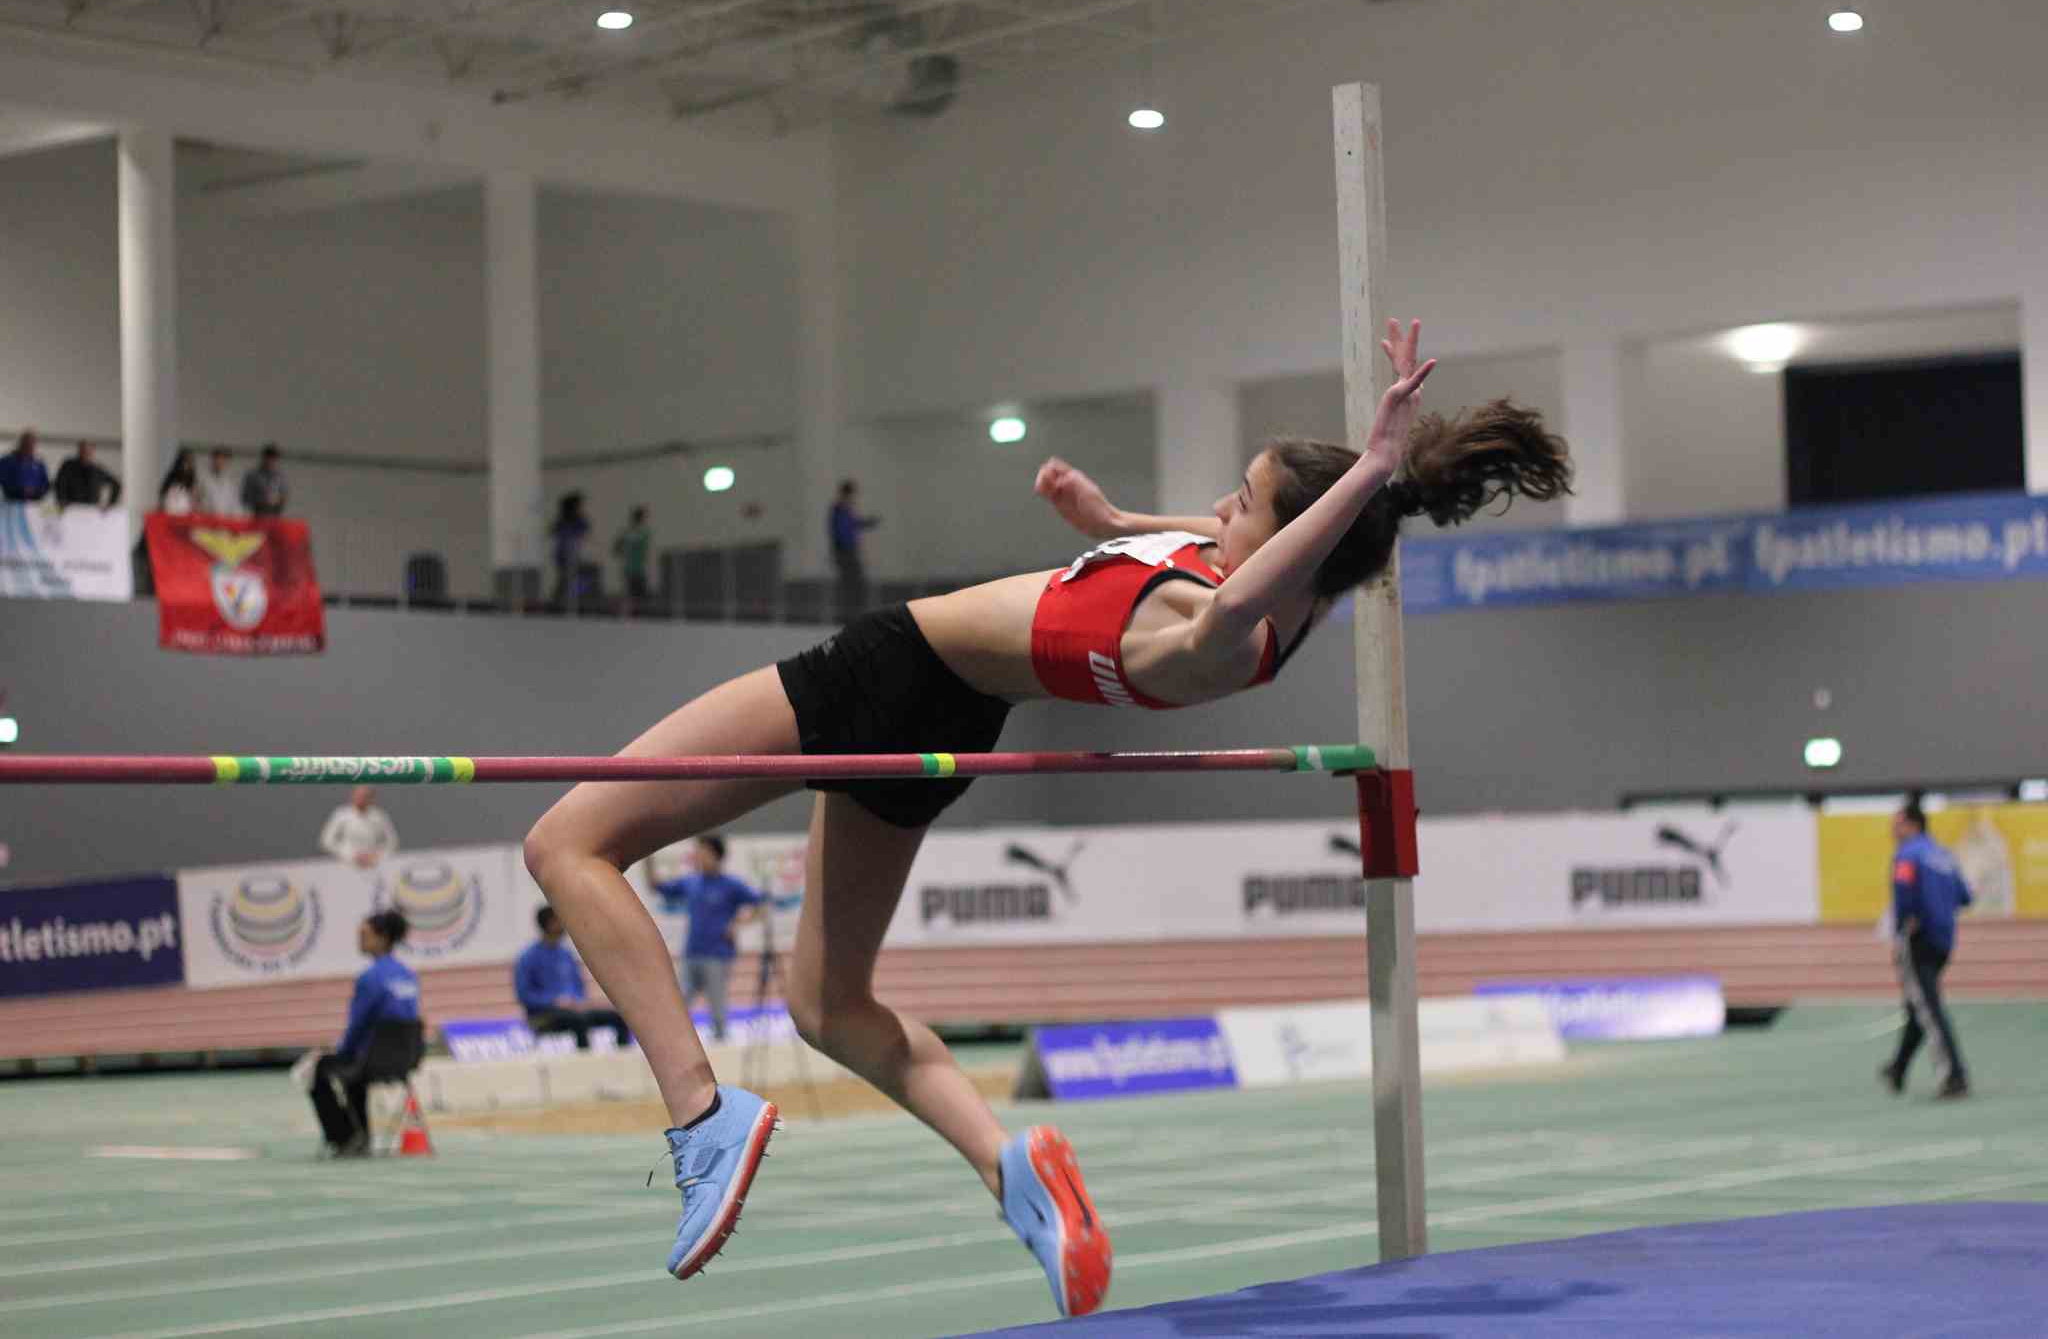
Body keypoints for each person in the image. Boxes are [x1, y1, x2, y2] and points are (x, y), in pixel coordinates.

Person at [522, 320, 1568, 1310]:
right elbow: (1242, 553)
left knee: (567, 842)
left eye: (1240, 502)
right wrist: (1115, 525)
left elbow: (1243, 586)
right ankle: (1008, 1166)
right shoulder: (1271, 601)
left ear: (1286, 541)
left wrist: (1370, 469)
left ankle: (702, 1114)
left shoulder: (1218, 630)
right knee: (830, 1004)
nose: (1215, 507)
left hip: (888, 669)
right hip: (958, 712)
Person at [1880, 799, 1973, 1099]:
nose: (1892, 829)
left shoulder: (1907, 855)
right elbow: (1965, 896)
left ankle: (1954, 1074)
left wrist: (1900, 932)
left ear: (1912, 824)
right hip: (1945, 940)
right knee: (1919, 1005)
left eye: (1897, 822)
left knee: (1928, 1009)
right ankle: (1898, 1066)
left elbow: (1904, 897)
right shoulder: (1943, 854)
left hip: (1918, 939)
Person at [309, 910, 420, 1157]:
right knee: (352, 1069)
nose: (359, 939)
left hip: (372, 1060)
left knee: (322, 1069)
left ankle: (345, 1137)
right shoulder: (408, 975)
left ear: (382, 938)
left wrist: (337, 1052)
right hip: (405, 1061)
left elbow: (357, 1027)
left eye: (364, 934)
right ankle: (361, 1135)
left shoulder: (369, 979)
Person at [649, 835, 762, 1042]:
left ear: (716, 855)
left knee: (717, 1005)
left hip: (718, 954)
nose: (698, 856)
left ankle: (721, 1043)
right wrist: (648, 857)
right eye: (697, 852)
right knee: (680, 1002)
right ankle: (674, 1044)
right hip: (692, 952)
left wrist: (738, 924)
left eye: (703, 852)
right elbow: (656, 886)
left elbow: (761, 904)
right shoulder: (691, 882)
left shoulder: (732, 885)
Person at [515, 905, 632, 1050]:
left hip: (574, 1010)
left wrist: (577, 1000)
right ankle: (586, 1065)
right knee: (579, 1020)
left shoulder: (566, 954)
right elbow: (524, 995)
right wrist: (554, 1002)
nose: (564, 924)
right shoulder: (528, 957)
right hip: (544, 1015)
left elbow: (579, 986)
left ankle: (621, 1062)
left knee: (618, 1018)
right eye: (559, 920)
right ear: (549, 924)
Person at [828, 479, 880, 618]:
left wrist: (867, 523)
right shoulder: (839, 509)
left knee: (854, 583)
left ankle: (853, 613)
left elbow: (853, 525)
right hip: (845, 552)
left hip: (849, 551)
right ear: (847, 493)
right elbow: (842, 531)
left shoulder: (845, 510)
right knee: (852, 583)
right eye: (852, 494)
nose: (853, 498)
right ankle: (849, 614)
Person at [320, 787, 399, 873]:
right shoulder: (341, 815)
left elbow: (392, 841)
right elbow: (326, 841)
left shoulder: (379, 816)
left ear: (371, 798)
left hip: (374, 866)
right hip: (345, 866)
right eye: (358, 796)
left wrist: (378, 855)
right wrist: (350, 855)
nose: (361, 799)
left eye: (365, 796)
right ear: (352, 796)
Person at [52, 441, 121, 509]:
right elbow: (59, 484)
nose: (86, 454)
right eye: (84, 451)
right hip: (72, 508)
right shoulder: (68, 466)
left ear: (92, 452)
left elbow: (116, 484)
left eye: (89, 452)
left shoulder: (97, 470)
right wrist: (61, 500)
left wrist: (110, 505)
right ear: (79, 451)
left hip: (91, 510)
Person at [550, 493, 591, 606]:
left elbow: (585, 531)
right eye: (579, 505)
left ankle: (569, 598)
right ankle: (564, 600)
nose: (581, 508)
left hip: (571, 553)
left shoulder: (576, 520)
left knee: (574, 579)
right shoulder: (565, 521)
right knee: (568, 578)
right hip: (565, 554)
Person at [613, 505, 653, 605]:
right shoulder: (640, 533)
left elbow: (617, 548)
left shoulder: (633, 533)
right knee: (634, 594)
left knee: (637, 594)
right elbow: (617, 548)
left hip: (636, 568)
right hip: (632, 568)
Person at [0, 429, 50, 502]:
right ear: (21, 443)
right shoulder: (7, 461)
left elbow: (45, 483)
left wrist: (36, 492)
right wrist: (21, 490)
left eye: (32, 444)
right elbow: (4, 480)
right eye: (27, 443)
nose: (29, 447)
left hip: (34, 503)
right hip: (12, 502)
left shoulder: (38, 463)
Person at [242, 443, 288, 517]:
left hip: (275, 515)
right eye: (268, 457)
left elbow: (284, 495)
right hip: (257, 515)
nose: (271, 460)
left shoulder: (280, 476)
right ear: (263, 457)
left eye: (274, 458)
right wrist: (261, 500)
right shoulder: (253, 475)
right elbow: (245, 498)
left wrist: (278, 500)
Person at [199, 446, 243, 517]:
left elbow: (235, 505)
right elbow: (200, 503)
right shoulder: (204, 480)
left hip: (226, 521)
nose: (219, 462)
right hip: (208, 519)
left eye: (223, 459)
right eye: (217, 458)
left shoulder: (231, 482)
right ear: (212, 460)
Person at [157, 448, 198, 515]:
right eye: (186, 462)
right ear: (180, 463)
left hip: (186, 513)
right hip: (171, 511)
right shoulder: (172, 477)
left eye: (190, 462)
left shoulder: (192, 477)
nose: (187, 465)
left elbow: (193, 498)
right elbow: (163, 494)